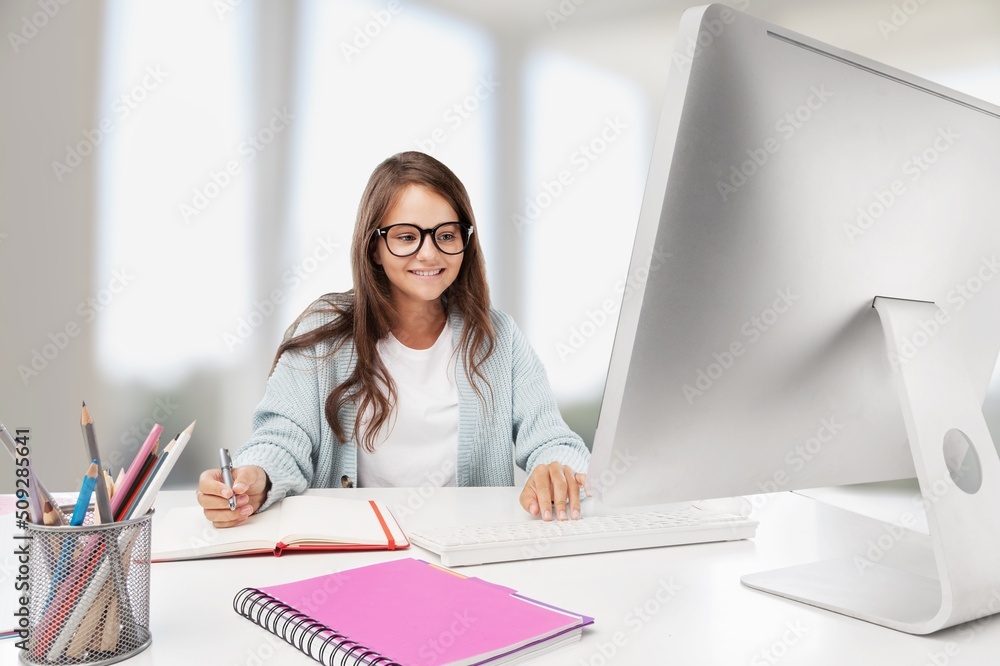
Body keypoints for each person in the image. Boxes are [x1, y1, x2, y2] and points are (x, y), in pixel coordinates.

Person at [197, 151, 590, 528]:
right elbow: (283, 438)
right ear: (374, 248)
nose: (429, 254)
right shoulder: (324, 333)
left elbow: (554, 442)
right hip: (358, 551)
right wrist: (253, 479)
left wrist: (555, 471)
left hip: (465, 555)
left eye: (446, 235)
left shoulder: (497, 337)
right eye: (406, 237)